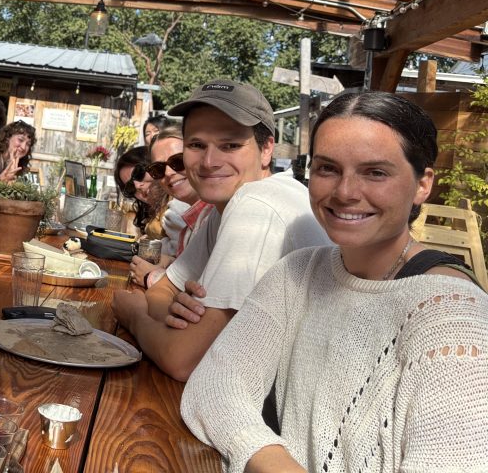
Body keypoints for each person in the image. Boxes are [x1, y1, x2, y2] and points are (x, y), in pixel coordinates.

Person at [181, 91, 488, 473]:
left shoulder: (453, 317)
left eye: (375, 172)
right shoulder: (297, 273)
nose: (345, 193)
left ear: (423, 184)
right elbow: (215, 386)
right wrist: (269, 456)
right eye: (328, 168)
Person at [112, 80, 329, 381]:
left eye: (230, 145)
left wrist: (134, 315)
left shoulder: (258, 203)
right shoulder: (224, 207)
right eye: (197, 145)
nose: (209, 162)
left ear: (267, 149)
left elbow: (181, 360)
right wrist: (176, 309)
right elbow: (163, 292)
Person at [118, 130, 214, 288]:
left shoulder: (217, 214)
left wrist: (150, 277)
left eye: (178, 161)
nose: (168, 172)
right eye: (158, 169)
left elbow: (206, 291)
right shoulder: (194, 219)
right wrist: (170, 261)